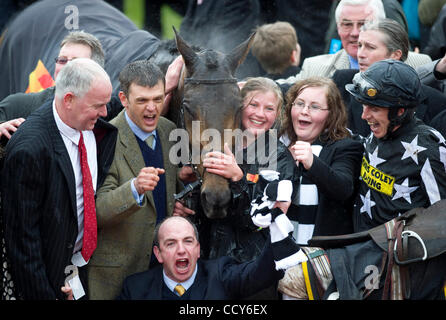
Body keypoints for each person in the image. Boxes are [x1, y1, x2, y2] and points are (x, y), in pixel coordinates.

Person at [1, 58, 117, 300]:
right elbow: (23, 243)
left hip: (76, 268)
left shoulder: (90, 124)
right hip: (44, 279)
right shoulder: (30, 150)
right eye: (99, 105)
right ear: (69, 100)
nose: (106, 113)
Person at [88, 60, 183, 300]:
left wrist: (179, 200)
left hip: (163, 275)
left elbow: (166, 193)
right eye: (142, 100)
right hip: (118, 278)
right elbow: (96, 211)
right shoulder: (104, 139)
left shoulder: (170, 131)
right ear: (123, 98)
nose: (152, 108)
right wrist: (134, 188)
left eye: (158, 99)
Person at [345, 59, 446, 232]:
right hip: (362, 244)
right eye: (364, 106)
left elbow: (441, 218)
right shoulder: (380, 128)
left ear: (400, 111)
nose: (364, 115)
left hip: (400, 255)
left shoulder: (430, 149)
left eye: (374, 109)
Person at [116, 215, 287, 300]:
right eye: (171, 244)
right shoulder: (134, 289)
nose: (181, 250)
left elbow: (259, 273)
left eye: (188, 241)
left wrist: (277, 228)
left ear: (198, 249)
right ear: (158, 254)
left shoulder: (220, 274)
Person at [280, 77, 363, 245]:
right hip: (274, 249)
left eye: (315, 107)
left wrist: (313, 163)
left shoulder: (345, 147)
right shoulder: (277, 143)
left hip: (318, 254)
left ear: (331, 114)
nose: (304, 111)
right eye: (299, 104)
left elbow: (343, 189)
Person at [276, 0, 431, 89]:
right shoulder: (316, 68)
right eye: (347, 24)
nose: (355, 33)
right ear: (337, 28)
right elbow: (279, 89)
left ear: (382, 25)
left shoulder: (419, 64)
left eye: (364, 24)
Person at [333, 18, 446, 137]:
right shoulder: (343, 80)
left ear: (395, 55)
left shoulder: (434, 100)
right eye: (360, 45)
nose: (360, 54)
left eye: (370, 47)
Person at [0, 31, 114, 140]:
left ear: (97, 70)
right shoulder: (18, 105)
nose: (66, 68)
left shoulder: (108, 113)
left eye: (76, 63)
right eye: (62, 60)